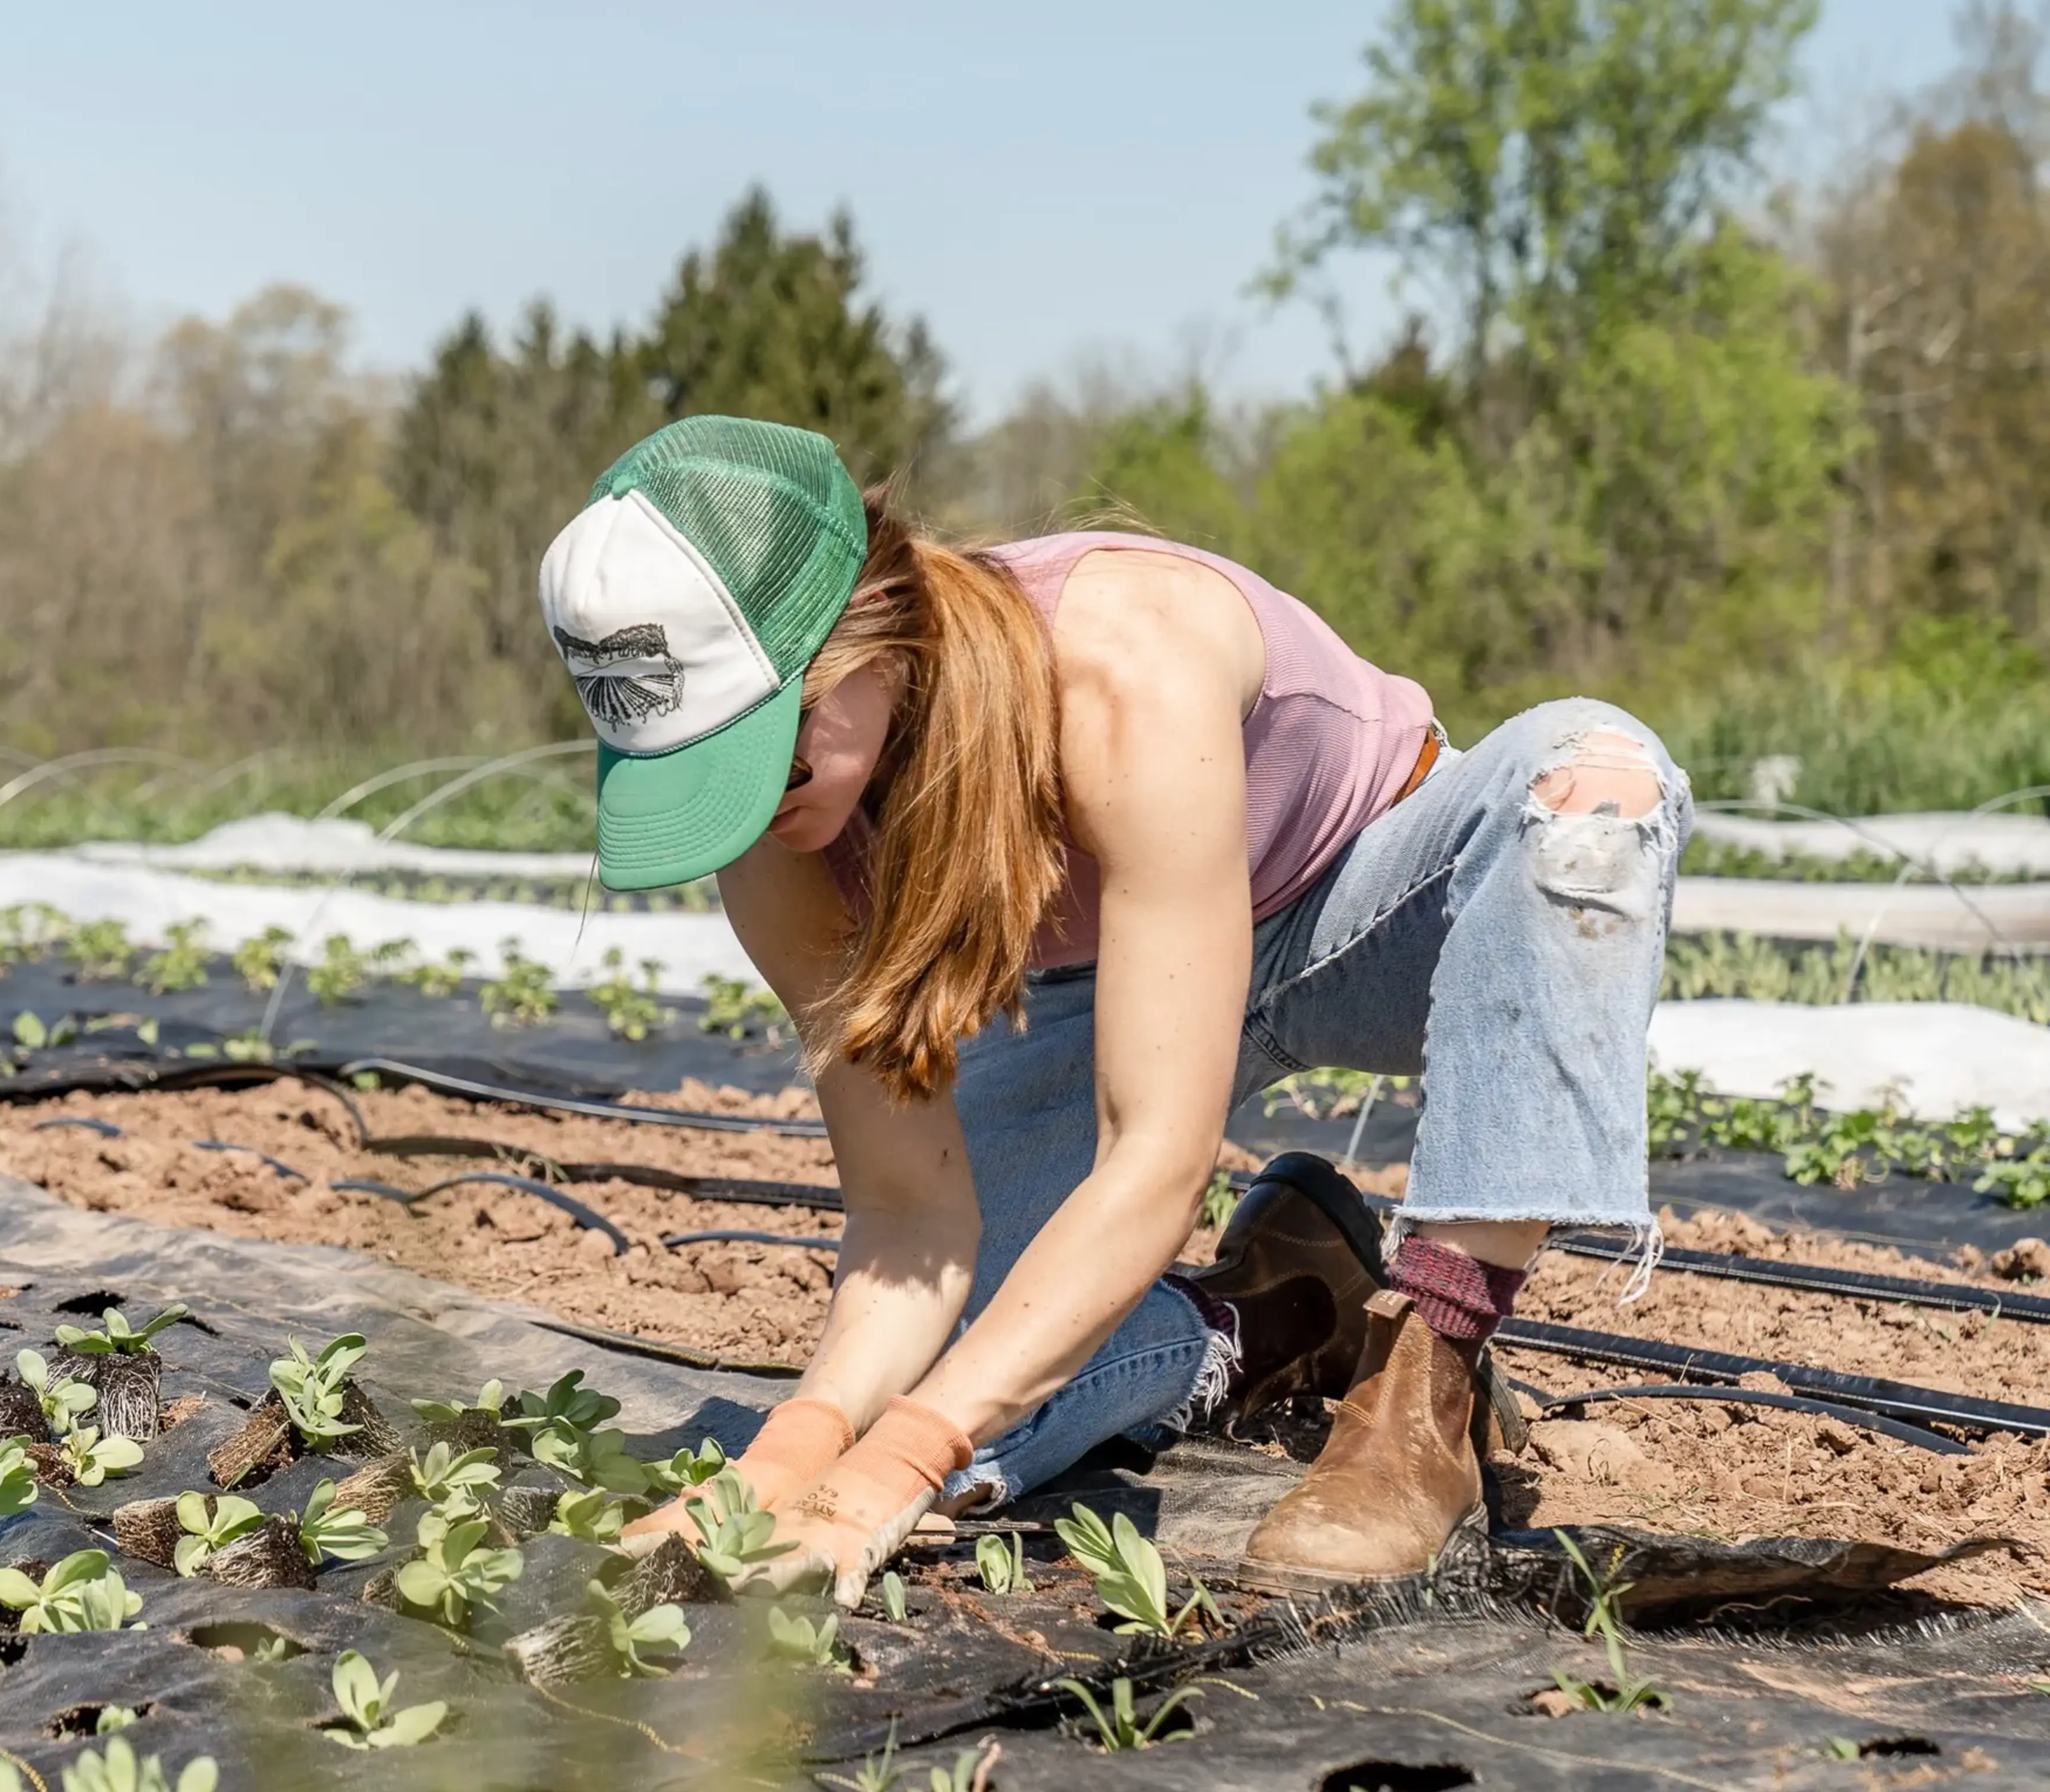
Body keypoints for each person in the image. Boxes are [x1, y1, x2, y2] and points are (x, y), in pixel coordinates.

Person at [540, 415, 1689, 1603]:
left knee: (1593, 781)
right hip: (1115, 987)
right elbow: (910, 1215)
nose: (753, 810)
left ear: (865, 636)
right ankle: (1271, 1311)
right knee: (967, 1372)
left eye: (764, 756)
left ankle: (1428, 1381)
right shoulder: (780, 842)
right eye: (697, 777)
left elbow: (1157, 1157)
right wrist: (796, 1452)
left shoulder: (1116, 664)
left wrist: (902, 1458)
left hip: (1370, 911)